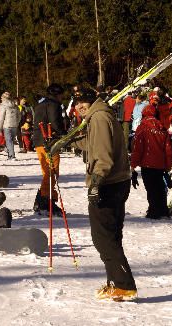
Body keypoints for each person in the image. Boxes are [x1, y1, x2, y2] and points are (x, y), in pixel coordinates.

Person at [69, 88, 137, 302]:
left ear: (92, 101)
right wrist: (68, 141)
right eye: (77, 103)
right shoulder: (102, 115)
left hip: (107, 182)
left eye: (84, 102)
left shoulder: (97, 117)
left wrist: (96, 182)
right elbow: (94, 143)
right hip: (117, 181)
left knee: (103, 237)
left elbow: (102, 155)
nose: (80, 106)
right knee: (111, 235)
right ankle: (116, 282)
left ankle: (124, 285)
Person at [130, 105, 172, 219]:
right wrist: (168, 165)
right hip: (160, 164)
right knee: (159, 187)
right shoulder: (162, 128)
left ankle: (154, 210)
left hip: (147, 163)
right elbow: (168, 149)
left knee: (151, 188)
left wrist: (133, 164)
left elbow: (138, 148)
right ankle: (162, 209)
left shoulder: (142, 127)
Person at [32, 83, 65, 215]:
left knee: (47, 171)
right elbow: (55, 122)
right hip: (49, 142)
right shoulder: (54, 104)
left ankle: (43, 199)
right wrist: (63, 133)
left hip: (39, 141)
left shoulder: (40, 104)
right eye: (62, 95)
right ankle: (45, 201)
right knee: (52, 172)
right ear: (58, 94)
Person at [0, 91, 21, 160]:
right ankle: (8, 150)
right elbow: (19, 116)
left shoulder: (3, 105)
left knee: (9, 141)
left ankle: (11, 156)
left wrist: (0, 128)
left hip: (7, 125)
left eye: (2, 97)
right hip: (15, 125)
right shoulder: (15, 105)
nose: (1, 99)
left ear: (4, 98)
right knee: (11, 140)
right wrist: (17, 123)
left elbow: (2, 118)